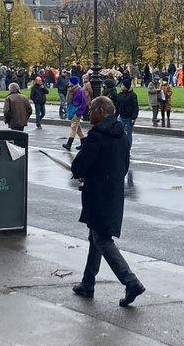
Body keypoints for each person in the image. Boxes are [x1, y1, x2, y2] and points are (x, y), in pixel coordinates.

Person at [70, 96, 146, 306]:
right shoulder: (120, 134)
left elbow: (79, 165)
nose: (89, 114)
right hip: (113, 191)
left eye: (92, 110)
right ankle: (87, 283)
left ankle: (131, 282)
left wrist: (84, 173)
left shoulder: (97, 136)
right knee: (96, 238)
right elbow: (123, 165)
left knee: (102, 240)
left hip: (97, 193)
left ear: (101, 111)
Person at [62, 76, 87, 151]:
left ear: (73, 82)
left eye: (70, 81)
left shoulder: (80, 91)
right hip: (73, 110)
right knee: (78, 128)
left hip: (76, 111)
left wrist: (79, 112)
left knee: (73, 128)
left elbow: (84, 103)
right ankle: (83, 142)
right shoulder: (72, 90)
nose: (69, 83)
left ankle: (69, 144)